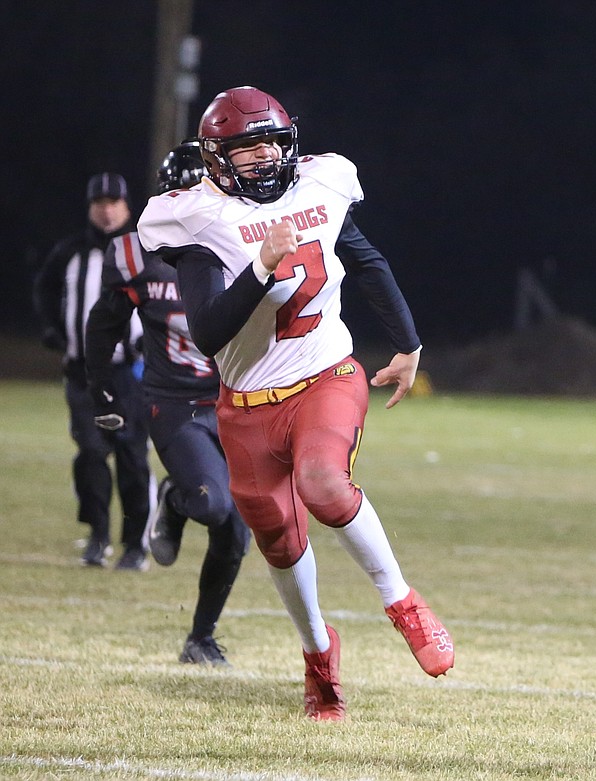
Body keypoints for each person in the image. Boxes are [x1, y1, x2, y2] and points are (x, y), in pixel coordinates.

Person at [137, 86, 454, 721]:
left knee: (323, 483)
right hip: (247, 403)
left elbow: (366, 261)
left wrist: (409, 343)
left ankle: (403, 602)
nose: (262, 159)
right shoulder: (198, 217)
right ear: (216, 158)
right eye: (245, 149)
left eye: (270, 145)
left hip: (326, 375)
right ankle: (318, 656)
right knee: (278, 541)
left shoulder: (322, 186)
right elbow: (206, 331)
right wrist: (259, 268)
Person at [84, 142, 251, 667]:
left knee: (237, 532)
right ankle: (175, 498)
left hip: (237, 400)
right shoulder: (135, 253)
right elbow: (102, 325)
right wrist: (100, 386)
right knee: (212, 504)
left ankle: (201, 637)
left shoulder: (243, 240)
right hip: (176, 401)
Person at [33, 172, 153, 570]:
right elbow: (45, 288)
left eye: (112, 201)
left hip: (129, 372)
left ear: (126, 206)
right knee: (90, 452)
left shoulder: (145, 250)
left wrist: (151, 341)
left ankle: (135, 544)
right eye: (99, 202)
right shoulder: (70, 251)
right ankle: (98, 536)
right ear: (90, 207)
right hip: (82, 372)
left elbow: (168, 299)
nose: (106, 209)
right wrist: (52, 329)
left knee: (132, 455)